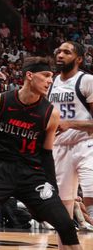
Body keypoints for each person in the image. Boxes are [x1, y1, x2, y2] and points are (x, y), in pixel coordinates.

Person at [0, 57, 80, 250]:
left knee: (67, 225)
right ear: (29, 75)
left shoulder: (50, 113)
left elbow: (46, 154)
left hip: (32, 173)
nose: (50, 81)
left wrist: (51, 189)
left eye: (51, 77)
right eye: (45, 75)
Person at [49, 41, 93, 218]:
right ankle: (66, 245)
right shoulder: (50, 82)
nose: (60, 55)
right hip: (59, 146)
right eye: (59, 51)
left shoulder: (87, 81)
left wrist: (70, 124)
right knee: (63, 204)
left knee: (90, 194)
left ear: (79, 59)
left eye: (66, 52)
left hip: (86, 144)